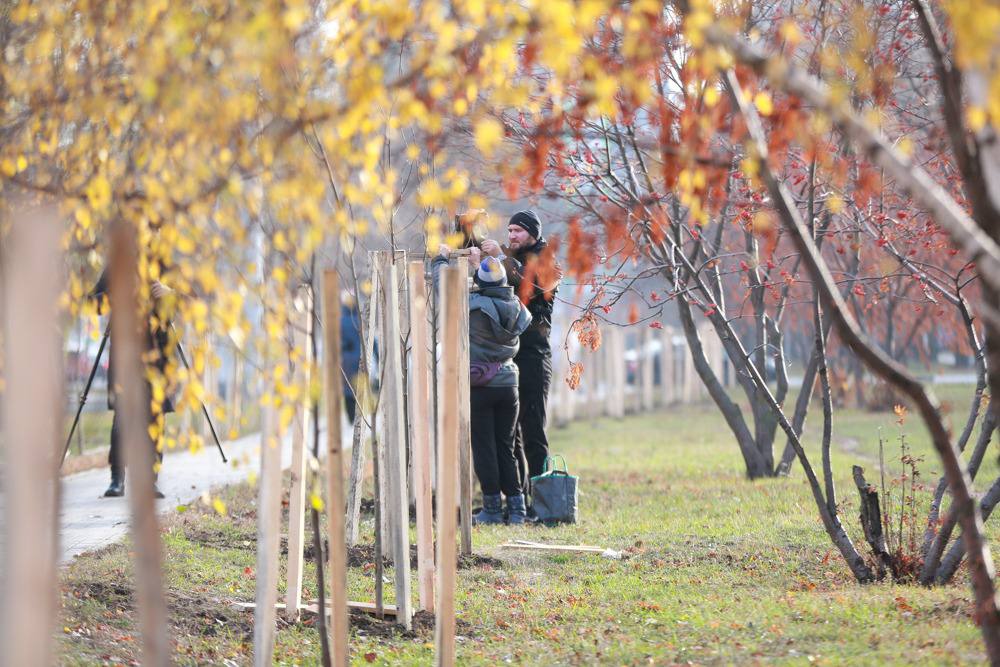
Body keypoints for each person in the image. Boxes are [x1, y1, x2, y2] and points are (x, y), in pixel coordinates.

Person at [432, 246, 532, 524]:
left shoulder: (474, 306)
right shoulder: (516, 308)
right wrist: (483, 266)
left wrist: (440, 258)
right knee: (507, 446)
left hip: (480, 384)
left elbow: (446, 289)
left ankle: (491, 509)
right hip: (509, 383)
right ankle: (517, 509)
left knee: (484, 447)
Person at [482, 210, 561, 513]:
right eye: (509, 230)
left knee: (533, 430)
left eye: (517, 231)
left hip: (534, 356)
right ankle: (518, 501)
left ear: (531, 233)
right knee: (510, 431)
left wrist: (500, 256)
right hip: (511, 355)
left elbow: (533, 287)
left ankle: (541, 502)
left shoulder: (544, 258)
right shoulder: (514, 256)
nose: (511, 235)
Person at [91, 270, 175, 499]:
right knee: (122, 416)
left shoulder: (165, 260)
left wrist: (170, 293)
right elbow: (93, 304)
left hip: (159, 353)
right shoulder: (118, 262)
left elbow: (195, 301)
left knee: (156, 416)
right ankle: (117, 479)